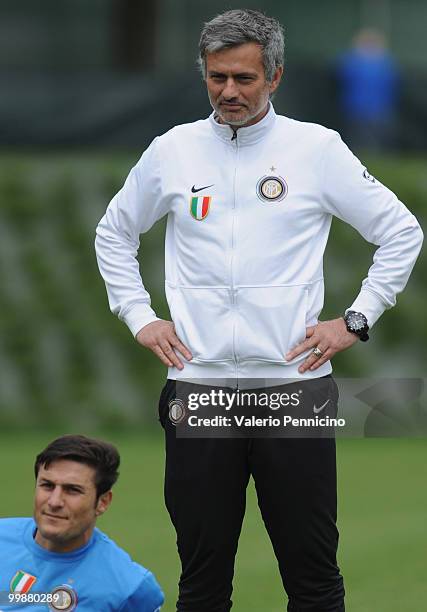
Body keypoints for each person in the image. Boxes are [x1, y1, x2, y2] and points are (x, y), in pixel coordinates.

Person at [95, 9, 423, 612]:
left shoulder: (317, 149)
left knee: (314, 579)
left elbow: (402, 232)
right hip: (199, 389)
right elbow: (113, 234)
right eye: (217, 77)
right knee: (201, 582)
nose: (229, 92)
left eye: (244, 78)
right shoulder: (173, 150)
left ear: (275, 76)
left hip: (294, 390)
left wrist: (356, 319)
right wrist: (140, 316)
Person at [0, 434, 164, 611]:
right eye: (47, 485)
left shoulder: (129, 587)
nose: (54, 502)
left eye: (72, 490)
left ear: (103, 502)